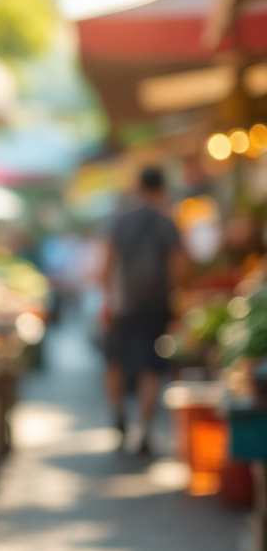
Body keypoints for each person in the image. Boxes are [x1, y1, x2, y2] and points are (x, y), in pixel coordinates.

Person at [103, 167, 189, 455]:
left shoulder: (120, 222)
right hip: (155, 306)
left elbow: (106, 266)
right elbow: (179, 266)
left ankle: (118, 414)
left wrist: (107, 300)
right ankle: (145, 430)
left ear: (138, 188)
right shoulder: (167, 223)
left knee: (115, 362)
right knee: (150, 370)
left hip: (123, 305)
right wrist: (177, 300)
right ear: (162, 189)